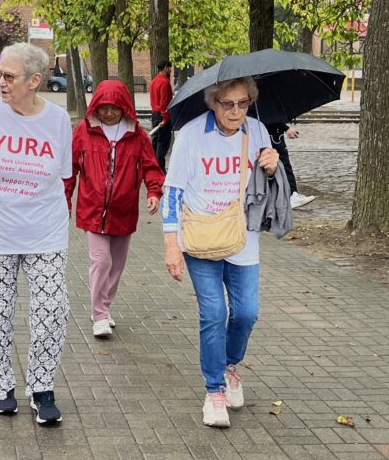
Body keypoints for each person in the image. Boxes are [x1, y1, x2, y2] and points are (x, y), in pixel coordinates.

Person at [0, 42, 72, 425]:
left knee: (52, 310)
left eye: (8, 76)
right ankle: (2, 386)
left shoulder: (58, 121)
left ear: (34, 80)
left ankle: (42, 387)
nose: (1, 82)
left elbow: (62, 175)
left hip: (45, 232)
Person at [161, 76, 280, 428]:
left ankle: (229, 366)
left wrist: (272, 168)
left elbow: (269, 186)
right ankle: (214, 390)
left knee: (246, 313)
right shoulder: (192, 136)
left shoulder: (257, 131)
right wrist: (171, 245)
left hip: (243, 238)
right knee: (213, 313)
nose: (236, 111)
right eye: (228, 104)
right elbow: (173, 192)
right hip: (201, 237)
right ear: (213, 102)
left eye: (243, 103)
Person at [64, 80, 164, 338]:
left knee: (116, 265)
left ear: (125, 108)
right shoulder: (83, 132)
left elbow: (151, 166)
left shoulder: (137, 135)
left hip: (124, 211)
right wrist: (65, 199)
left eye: (115, 108)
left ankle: (105, 308)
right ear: (96, 106)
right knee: (101, 261)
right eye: (104, 107)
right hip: (92, 208)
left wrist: (154, 191)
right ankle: (98, 315)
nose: (109, 113)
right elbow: (69, 169)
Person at [266, 122, 315, 209]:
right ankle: (291, 195)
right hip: (272, 135)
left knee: (284, 165)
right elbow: (270, 117)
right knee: (283, 165)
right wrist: (286, 128)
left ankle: (291, 193)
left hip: (276, 134)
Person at [149, 60, 173, 171]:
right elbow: (164, 102)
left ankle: (153, 167)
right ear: (165, 67)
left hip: (154, 113)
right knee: (163, 142)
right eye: (169, 67)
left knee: (155, 141)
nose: (171, 70)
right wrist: (165, 118)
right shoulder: (164, 82)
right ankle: (160, 168)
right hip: (162, 115)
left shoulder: (153, 81)